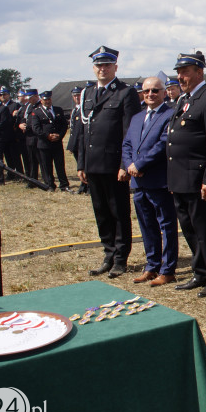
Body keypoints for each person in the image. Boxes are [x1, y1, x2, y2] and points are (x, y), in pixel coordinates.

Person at [168, 51, 206, 297]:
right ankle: (199, 272)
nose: (181, 76)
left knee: (204, 229)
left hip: (197, 178)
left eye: (185, 72)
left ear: (199, 72)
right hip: (179, 178)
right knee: (189, 228)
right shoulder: (184, 99)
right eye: (179, 72)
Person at [77, 45, 141, 278]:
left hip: (114, 165)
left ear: (115, 66)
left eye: (107, 65)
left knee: (118, 211)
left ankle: (121, 258)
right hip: (93, 164)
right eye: (98, 65)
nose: (102, 69)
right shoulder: (88, 94)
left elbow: (129, 132)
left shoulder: (125, 93)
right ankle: (108, 253)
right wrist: (81, 164)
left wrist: (125, 164)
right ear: (94, 68)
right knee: (101, 211)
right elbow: (85, 131)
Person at [122, 76, 179, 286]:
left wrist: (140, 165)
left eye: (155, 90)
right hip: (138, 182)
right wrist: (129, 165)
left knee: (167, 225)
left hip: (158, 180)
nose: (150, 95)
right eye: (146, 91)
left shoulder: (170, 115)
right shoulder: (137, 117)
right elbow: (127, 144)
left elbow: (163, 144)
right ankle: (152, 266)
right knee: (147, 226)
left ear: (164, 92)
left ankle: (168, 269)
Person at [29, 90, 71, 192]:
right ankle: (50, 185)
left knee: (60, 165)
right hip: (44, 144)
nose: (47, 101)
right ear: (41, 100)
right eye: (45, 100)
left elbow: (64, 125)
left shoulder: (58, 110)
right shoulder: (36, 112)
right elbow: (36, 128)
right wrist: (48, 136)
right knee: (47, 166)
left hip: (57, 143)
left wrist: (59, 136)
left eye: (49, 99)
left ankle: (64, 185)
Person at [66, 86, 87, 194]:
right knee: (79, 166)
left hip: (83, 143)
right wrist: (71, 145)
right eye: (74, 95)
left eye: (78, 95)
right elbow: (73, 129)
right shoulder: (75, 110)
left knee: (84, 166)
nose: (76, 97)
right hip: (76, 144)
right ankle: (83, 186)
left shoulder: (84, 109)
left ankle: (85, 187)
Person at [19, 90, 42, 188]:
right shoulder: (28, 106)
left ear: (36, 96)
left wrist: (27, 126)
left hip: (38, 137)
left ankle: (46, 181)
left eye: (30, 97)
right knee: (31, 160)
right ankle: (32, 180)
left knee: (41, 161)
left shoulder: (40, 106)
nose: (28, 99)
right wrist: (21, 124)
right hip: (29, 138)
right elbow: (24, 118)